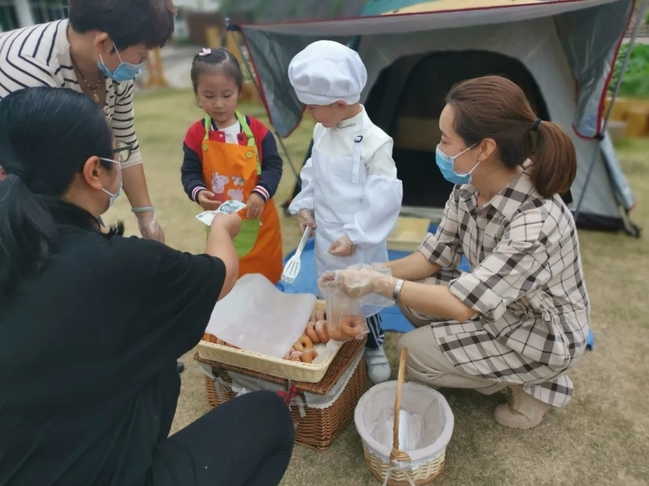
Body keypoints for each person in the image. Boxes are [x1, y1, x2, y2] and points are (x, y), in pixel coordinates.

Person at [0, 87, 294, 486]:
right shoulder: (120, 264)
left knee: (160, 371)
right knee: (270, 416)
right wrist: (222, 227)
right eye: (115, 154)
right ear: (94, 171)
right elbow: (222, 273)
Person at [322, 75, 590, 429]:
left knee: (412, 351)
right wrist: (375, 271)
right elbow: (433, 256)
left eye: (446, 140)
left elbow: (461, 305)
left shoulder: (536, 221)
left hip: (538, 334)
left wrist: (381, 284)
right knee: (412, 292)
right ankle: (484, 363)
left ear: (484, 148)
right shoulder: (470, 188)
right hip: (498, 306)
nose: (439, 148)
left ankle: (530, 383)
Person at [0, 0, 172, 243]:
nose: (142, 64)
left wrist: (147, 219)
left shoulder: (116, 68)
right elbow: (46, 175)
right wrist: (99, 239)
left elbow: (125, 141)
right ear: (103, 42)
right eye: (142, 54)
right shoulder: (28, 68)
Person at [287, 40, 403, 384]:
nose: (310, 114)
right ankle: (338, 335)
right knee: (332, 291)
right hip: (326, 235)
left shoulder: (375, 142)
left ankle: (373, 344)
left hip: (361, 239)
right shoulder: (323, 130)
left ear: (339, 103)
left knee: (364, 292)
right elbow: (314, 172)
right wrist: (305, 205)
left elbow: (382, 199)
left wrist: (356, 235)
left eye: (312, 107)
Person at [181, 47, 284, 284]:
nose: (219, 104)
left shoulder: (257, 131)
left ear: (239, 91)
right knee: (226, 279)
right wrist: (198, 192)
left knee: (264, 282)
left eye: (227, 95)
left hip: (260, 224)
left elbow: (273, 167)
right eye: (209, 96)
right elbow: (189, 173)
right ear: (197, 94)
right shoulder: (196, 135)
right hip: (221, 226)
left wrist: (260, 193)